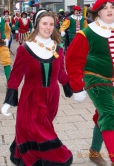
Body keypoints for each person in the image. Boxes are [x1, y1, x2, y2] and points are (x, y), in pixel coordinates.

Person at [66, 0, 114, 166]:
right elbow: (73, 60)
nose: (109, 11)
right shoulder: (87, 33)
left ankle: (94, 152)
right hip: (95, 80)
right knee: (108, 115)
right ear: (97, 12)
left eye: (112, 7)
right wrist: (77, 86)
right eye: (104, 8)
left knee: (103, 116)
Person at [1, 9, 73, 166]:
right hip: (31, 97)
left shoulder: (58, 48)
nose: (48, 27)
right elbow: (16, 75)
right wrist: (9, 100)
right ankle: (56, 157)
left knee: (37, 131)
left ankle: (30, 153)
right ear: (37, 25)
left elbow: (61, 72)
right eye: (44, 23)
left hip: (52, 98)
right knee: (42, 131)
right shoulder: (25, 49)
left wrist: (73, 88)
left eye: (51, 24)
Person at [0, 11, 12, 81]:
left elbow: (7, 30)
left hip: (2, 46)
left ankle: (10, 83)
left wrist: (7, 39)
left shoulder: (2, 21)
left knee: (7, 62)